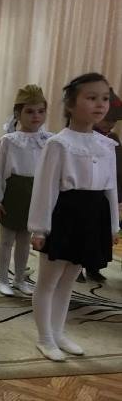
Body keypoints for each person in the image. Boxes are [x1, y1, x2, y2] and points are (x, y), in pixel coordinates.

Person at [28, 73, 117, 362]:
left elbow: (111, 189)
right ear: (70, 104)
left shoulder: (106, 145)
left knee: (69, 280)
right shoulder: (59, 144)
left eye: (105, 98)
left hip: (92, 217)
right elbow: (45, 188)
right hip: (64, 215)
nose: (100, 104)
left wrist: (112, 225)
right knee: (49, 280)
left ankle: (58, 332)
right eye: (91, 98)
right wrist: (39, 228)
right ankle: (44, 338)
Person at [0, 85, 52, 297]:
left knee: (25, 240)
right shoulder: (8, 141)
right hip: (13, 193)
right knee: (7, 239)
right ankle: (2, 279)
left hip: (35, 194)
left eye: (41, 111)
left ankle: (19, 279)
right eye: (30, 111)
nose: (36, 116)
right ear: (18, 113)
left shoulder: (49, 141)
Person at [83, 87, 122, 283]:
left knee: (99, 233)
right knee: (82, 231)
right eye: (107, 119)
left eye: (114, 121)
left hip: (105, 193)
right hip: (85, 192)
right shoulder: (84, 136)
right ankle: (76, 266)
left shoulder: (113, 140)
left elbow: (118, 169)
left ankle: (93, 266)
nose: (110, 124)